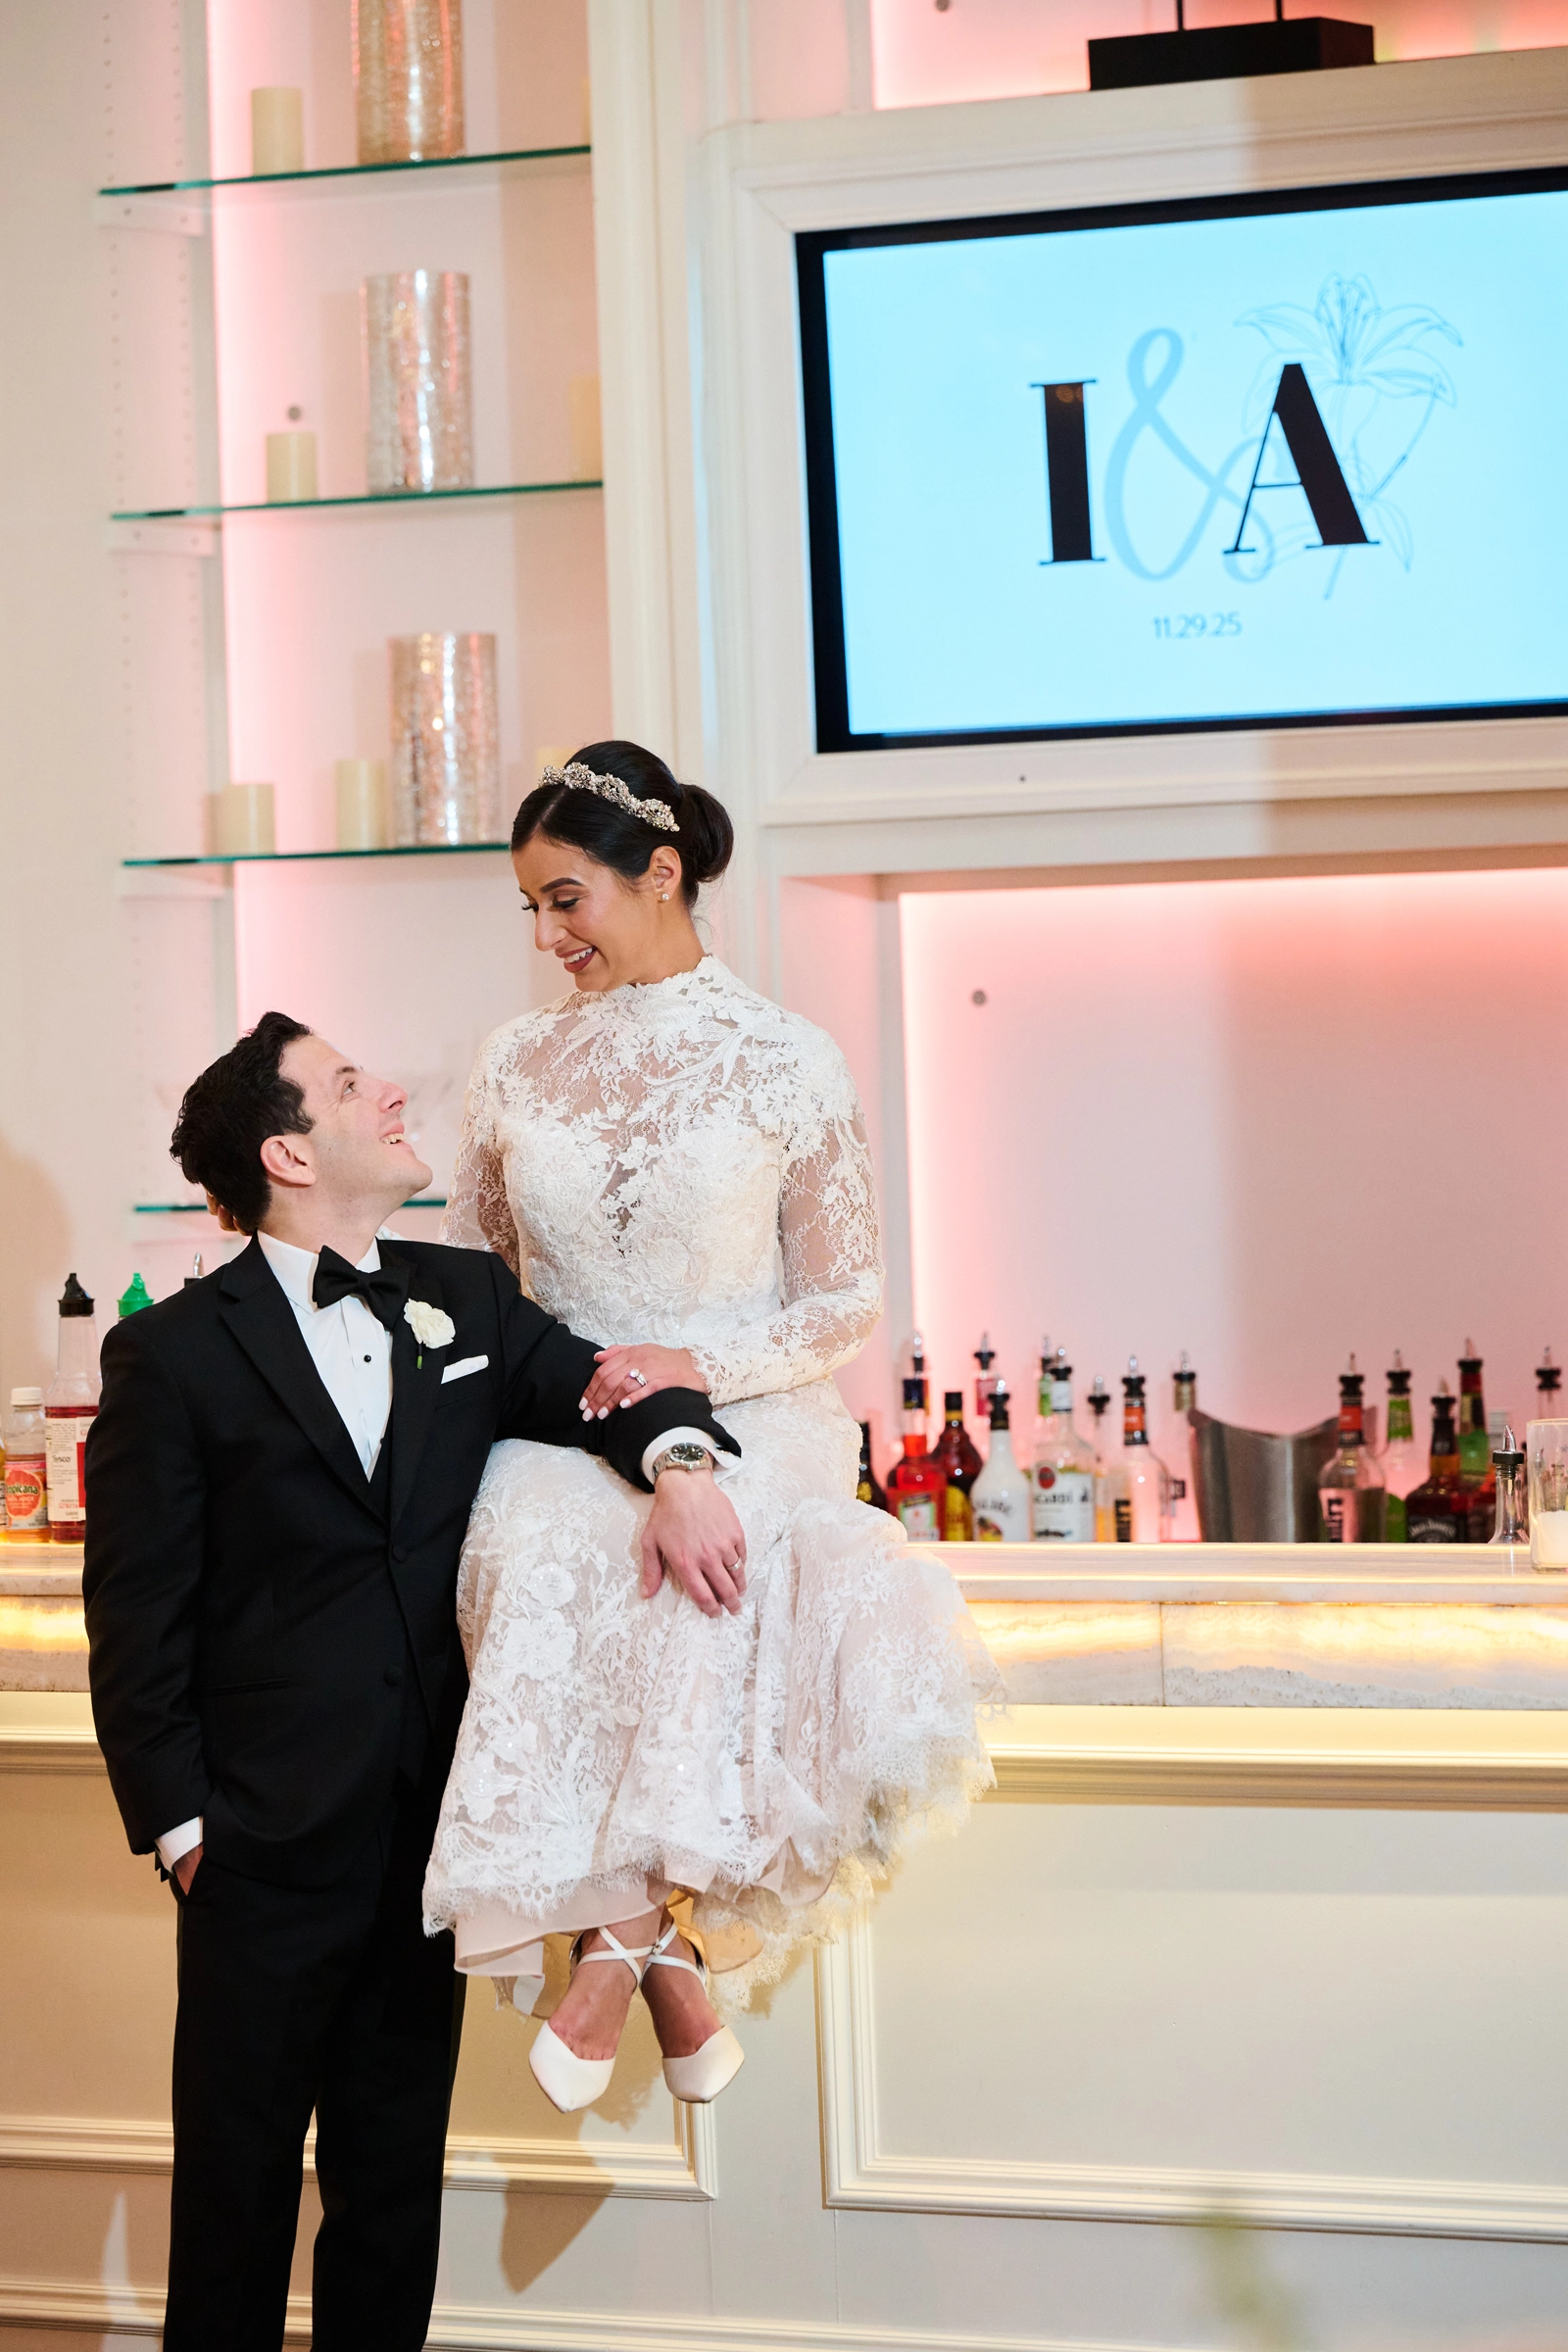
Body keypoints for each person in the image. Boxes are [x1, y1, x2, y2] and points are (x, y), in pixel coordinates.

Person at [82, 1014, 742, 2352]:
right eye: (346, 1084)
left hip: (430, 1839)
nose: (389, 1091)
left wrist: (681, 1469)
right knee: (234, 2209)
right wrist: (185, 1829)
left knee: (390, 2205)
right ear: (288, 1153)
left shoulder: (469, 1300)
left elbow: (609, 1393)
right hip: (258, 1845)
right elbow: (135, 1614)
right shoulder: (174, 1353)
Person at [424, 742, 999, 2116]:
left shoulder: (789, 1058)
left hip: (755, 1410)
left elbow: (846, 1298)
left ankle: (616, 1950)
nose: (549, 935)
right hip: (569, 1418)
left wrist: (700, 1362)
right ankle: (656, 1954)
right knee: (530, 1531)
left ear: (663, 873)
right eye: (533, 909)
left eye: (568, 899)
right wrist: (575, 1388)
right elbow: (481, 1277)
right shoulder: (511, 1063)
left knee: (699, 1555)